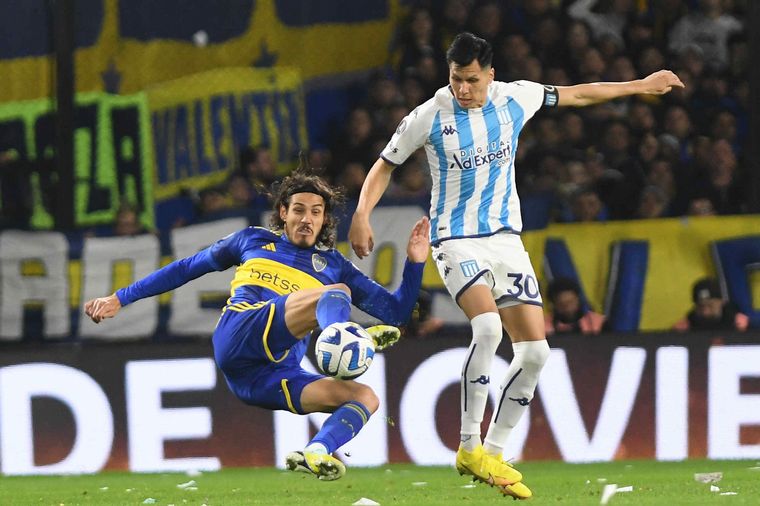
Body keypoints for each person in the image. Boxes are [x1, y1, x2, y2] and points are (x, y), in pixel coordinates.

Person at [348, 32, 683, 499]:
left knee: (535, 353)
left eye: (470, 80)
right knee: (487, 329)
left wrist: (639, 85)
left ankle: (495, 452)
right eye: (455, 79)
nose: (462, 89)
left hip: (506, 240)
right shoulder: (429, 115)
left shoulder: (516, 97)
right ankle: (467, 446)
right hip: (455, 240)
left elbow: (579, 93)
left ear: (490, 74)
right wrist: (362, 214)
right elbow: (385, 165)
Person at [84, 170, 430, 481]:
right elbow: (187, 268)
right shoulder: (251, 240)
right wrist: (120, 298)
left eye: (315, 212)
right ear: (283, 212)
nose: (306, 219)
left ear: (324, 220)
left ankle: (318, 451)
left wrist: (415, 262)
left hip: (261, 377)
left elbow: (397, 313)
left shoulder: (334, 264)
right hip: (241, 331)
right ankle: (345, 339)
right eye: (298, 210)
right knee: (334, 294)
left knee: (365, 397)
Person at [673, 277, 748, 332]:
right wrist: (677, 334)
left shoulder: (735, 320)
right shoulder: (690, 322)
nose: (705, 312)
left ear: (721, 302)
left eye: (710, 305)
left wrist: (744, 331)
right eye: (700, 307)